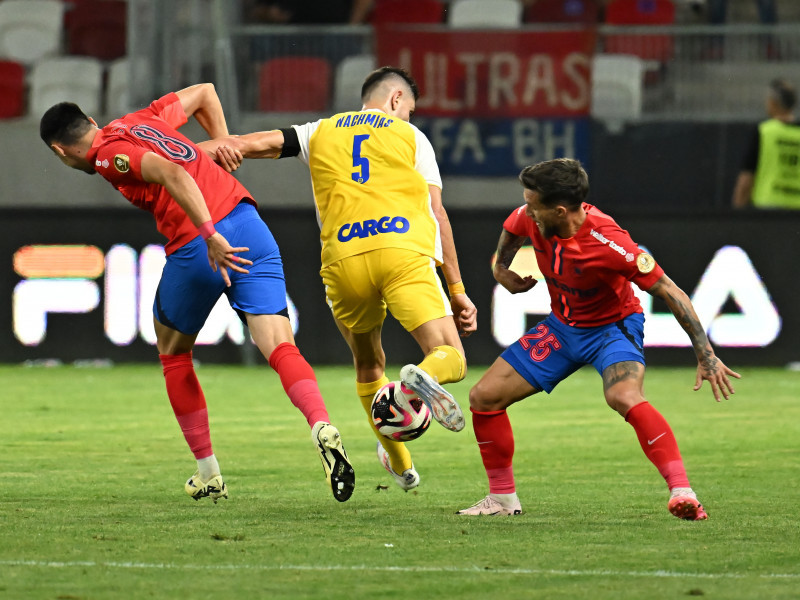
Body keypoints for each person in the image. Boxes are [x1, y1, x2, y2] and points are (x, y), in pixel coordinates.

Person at [39, 83, 355, 504]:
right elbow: (206, 93)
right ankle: (321, 424)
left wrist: (209, 234)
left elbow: (171, 172)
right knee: (281, 345)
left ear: (61, 151)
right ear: (93, 121)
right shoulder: (142, 119)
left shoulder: (106, 157)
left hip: (201, 244)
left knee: (172, 351)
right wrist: (224, 143)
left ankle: (209, 474)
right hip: (248, 224)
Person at [210, 66, 478, 492]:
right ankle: (417, 384)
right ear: (395, 100)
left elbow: (244, 145)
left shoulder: (318, 131)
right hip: (402, 253)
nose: (409, 117)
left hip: (343, 260)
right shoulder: (412, 138)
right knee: (451, 357)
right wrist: (458, 290)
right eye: (409, 109)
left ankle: (401, 465)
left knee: (369, 363)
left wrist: (179, 154)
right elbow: (437, 214)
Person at [456, 158, 739, 520]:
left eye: (532, 204)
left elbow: (670, 291)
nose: (526, 210)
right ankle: (502, 500)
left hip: (612, 329)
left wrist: (706, 355)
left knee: (622, 395)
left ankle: (682, 490)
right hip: (563, 327)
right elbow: (512, 229)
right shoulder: (533, 215)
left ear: (559, 210)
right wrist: (501, 269)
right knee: (484, 397)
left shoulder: (610, 242)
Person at [733, 78, 800, 209]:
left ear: (773, 103)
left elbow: (746, 180)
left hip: (769, 211)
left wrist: (737, 215)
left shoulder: (764, 132)